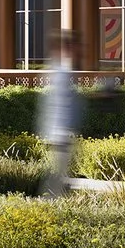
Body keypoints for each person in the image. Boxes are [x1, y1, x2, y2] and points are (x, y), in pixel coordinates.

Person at [37, 30, 83, 196]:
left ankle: (51, 201)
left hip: (58, 132)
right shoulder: (61, 72)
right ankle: (49, 204)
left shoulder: (58, 71)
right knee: (58, 176)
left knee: (59, 174)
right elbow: (62, 105)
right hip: (60, 132)